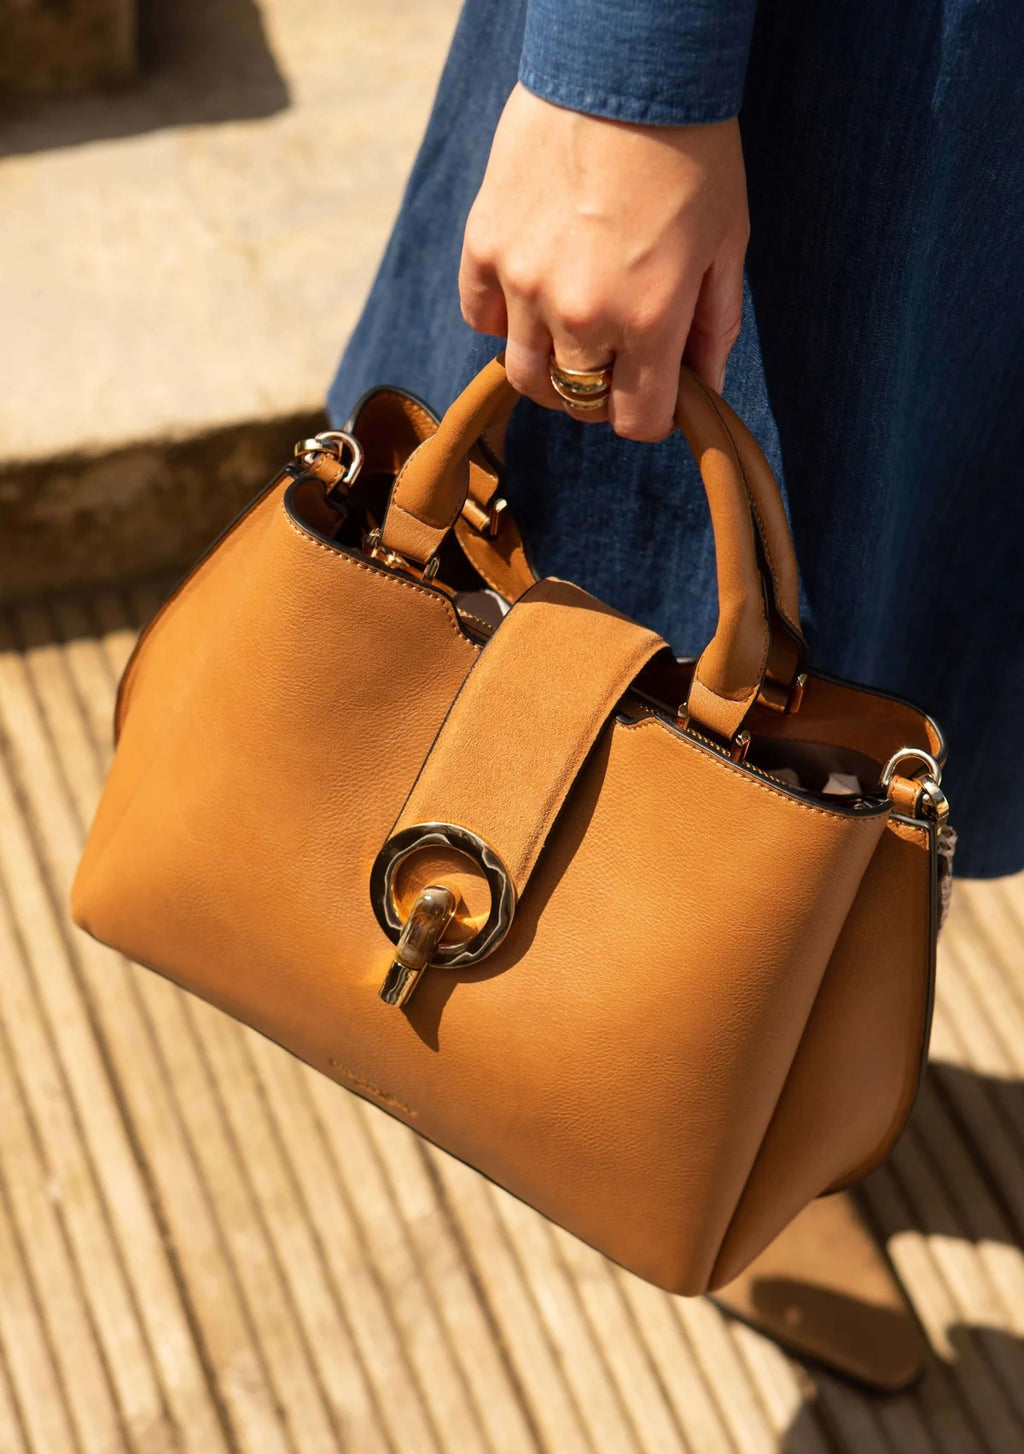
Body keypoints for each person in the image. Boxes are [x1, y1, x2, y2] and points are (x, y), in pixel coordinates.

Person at [328, 0, 1024, 1383]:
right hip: (862, 82)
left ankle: (739, 1050)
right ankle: (689, 1085)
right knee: (735, 574)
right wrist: (623, 85)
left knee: (914, 576)